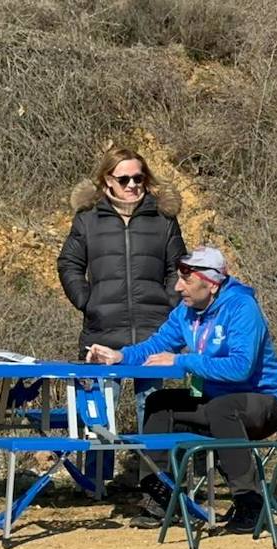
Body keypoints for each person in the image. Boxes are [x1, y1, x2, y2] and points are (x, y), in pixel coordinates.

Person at [87, 246, 277, 533]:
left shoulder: (242, 308)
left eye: (186, 280)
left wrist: (183, 362)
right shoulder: (186, 311)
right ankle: (160, 495)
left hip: (264, 403)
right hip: (217, 401)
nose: (177, 287)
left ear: (210, 283)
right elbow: (157, 347)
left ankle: (250, 503)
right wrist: (119, 356)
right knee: (160, 402)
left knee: (223, 408)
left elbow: (240, 367)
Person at [57, 145, 187, 428]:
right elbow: (69, 264)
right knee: (97, 420)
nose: (132, 185)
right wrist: (87, 301)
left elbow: (178, 269)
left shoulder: (163, 219)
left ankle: (151, 474)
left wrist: (167, 305)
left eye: (138, 178)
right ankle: (95, 475)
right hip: (103, 333)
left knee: (153, 415)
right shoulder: (87, 219)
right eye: (124, 179)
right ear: (107, 180)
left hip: (153, 336)